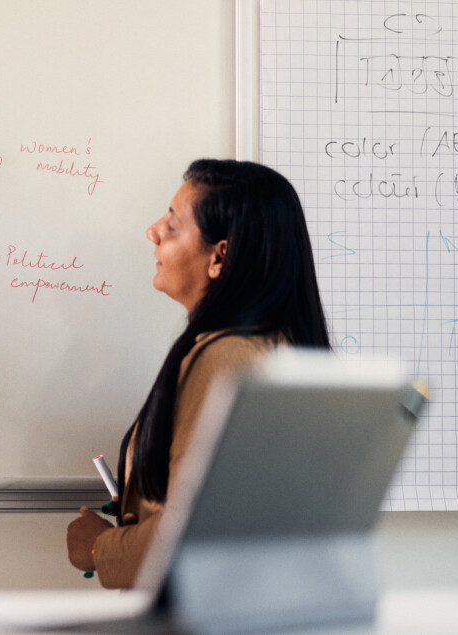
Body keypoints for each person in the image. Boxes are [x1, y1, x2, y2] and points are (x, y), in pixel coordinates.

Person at [65, 159, 331, 589]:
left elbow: (199, 533)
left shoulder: (224, 357)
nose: (152, 231)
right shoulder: (276, 346)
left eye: (172, 226)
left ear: (219, 256)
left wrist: (100, 548)